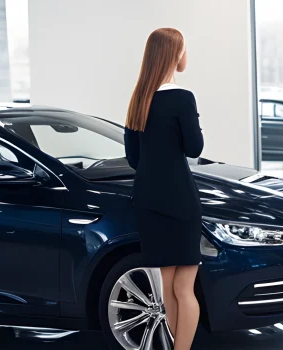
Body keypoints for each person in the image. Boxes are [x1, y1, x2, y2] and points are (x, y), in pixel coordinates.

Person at [124, 27, 203, 350]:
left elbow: (134, 159)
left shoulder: (139, 98)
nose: (186, 56)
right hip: (180, 200)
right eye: (184, 49)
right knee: (186, 289)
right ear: (174, 55)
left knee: (168, 285)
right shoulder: (183, 99)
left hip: (148, 200)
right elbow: (194, 148)